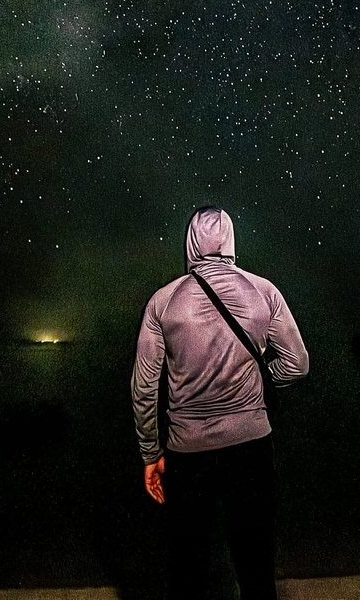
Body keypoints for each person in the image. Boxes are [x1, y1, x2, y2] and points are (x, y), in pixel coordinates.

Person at [131, 206, 309, 600]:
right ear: (230, 240)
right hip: (251, 449)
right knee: (256, 568)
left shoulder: (163, 302)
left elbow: (144, 387)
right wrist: (258, 386)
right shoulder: (264, 291)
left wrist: (150, 453)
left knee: (187, 572)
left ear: (190, 243)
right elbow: (297, 364)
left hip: (187, 454)